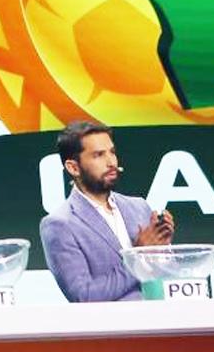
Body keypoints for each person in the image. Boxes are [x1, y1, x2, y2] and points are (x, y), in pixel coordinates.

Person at [38, 120, 174, 302]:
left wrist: (164, 249)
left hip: (165, 316)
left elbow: (165, 276)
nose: (111, 162)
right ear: (73, 167)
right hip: (115, 320)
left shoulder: (139, 207)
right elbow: (84, 295)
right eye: (98, 155)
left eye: (112, 152)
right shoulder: (59, 224)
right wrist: (138, 258)